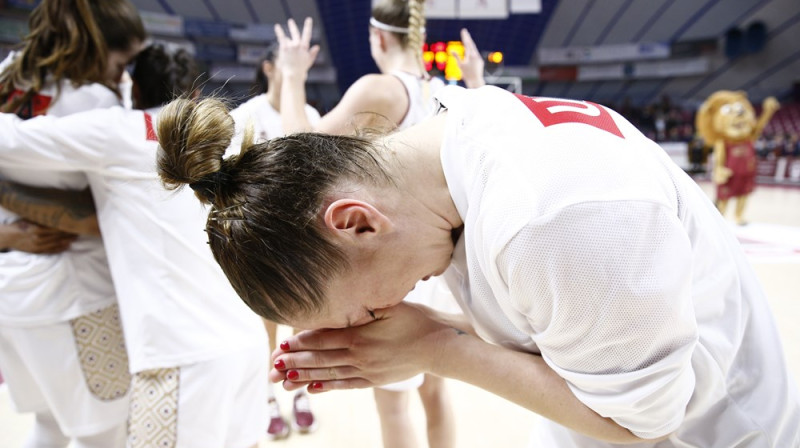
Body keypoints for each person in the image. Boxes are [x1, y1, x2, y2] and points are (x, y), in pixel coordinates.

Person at [154, 83, 800, 447]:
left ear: (356, 221)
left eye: (364, 311)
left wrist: (438, 346)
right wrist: (376, 97)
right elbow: (404, 98)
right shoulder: (449, 132)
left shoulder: (550, 219)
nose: (382, 316)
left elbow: (644, 426)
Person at [0, 44, 270, 448]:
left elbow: (9, 139)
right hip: (247, 343)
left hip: (179, 356)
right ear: (195, 96)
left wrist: (16, 66)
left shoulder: (116, 129)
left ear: (134, 92)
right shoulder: (225, 133)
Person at [272, 3, 483, 445]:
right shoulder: (438, 88)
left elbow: (298, 153)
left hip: (399, 261)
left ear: (378, 37)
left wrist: (292, 76)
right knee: (436, 393)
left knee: (393, 406)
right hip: (444, 262)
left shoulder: (382, 89)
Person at [0, 1, 145, 446]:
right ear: (98, 45)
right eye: (122, 62)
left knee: (50, 424)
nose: (124, 76)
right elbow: (111, 215)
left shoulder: (7, 76)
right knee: (104, 434)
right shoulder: (95, 102)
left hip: (12, 293)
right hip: (78, 297)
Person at [228, 42, 323, 440]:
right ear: (269, 66)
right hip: (260, 240)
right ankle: (267, 397)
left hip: (303, 237)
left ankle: (300, 392)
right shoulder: (244, 117)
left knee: (304, 322)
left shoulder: (310, 114)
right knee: (264, 327)